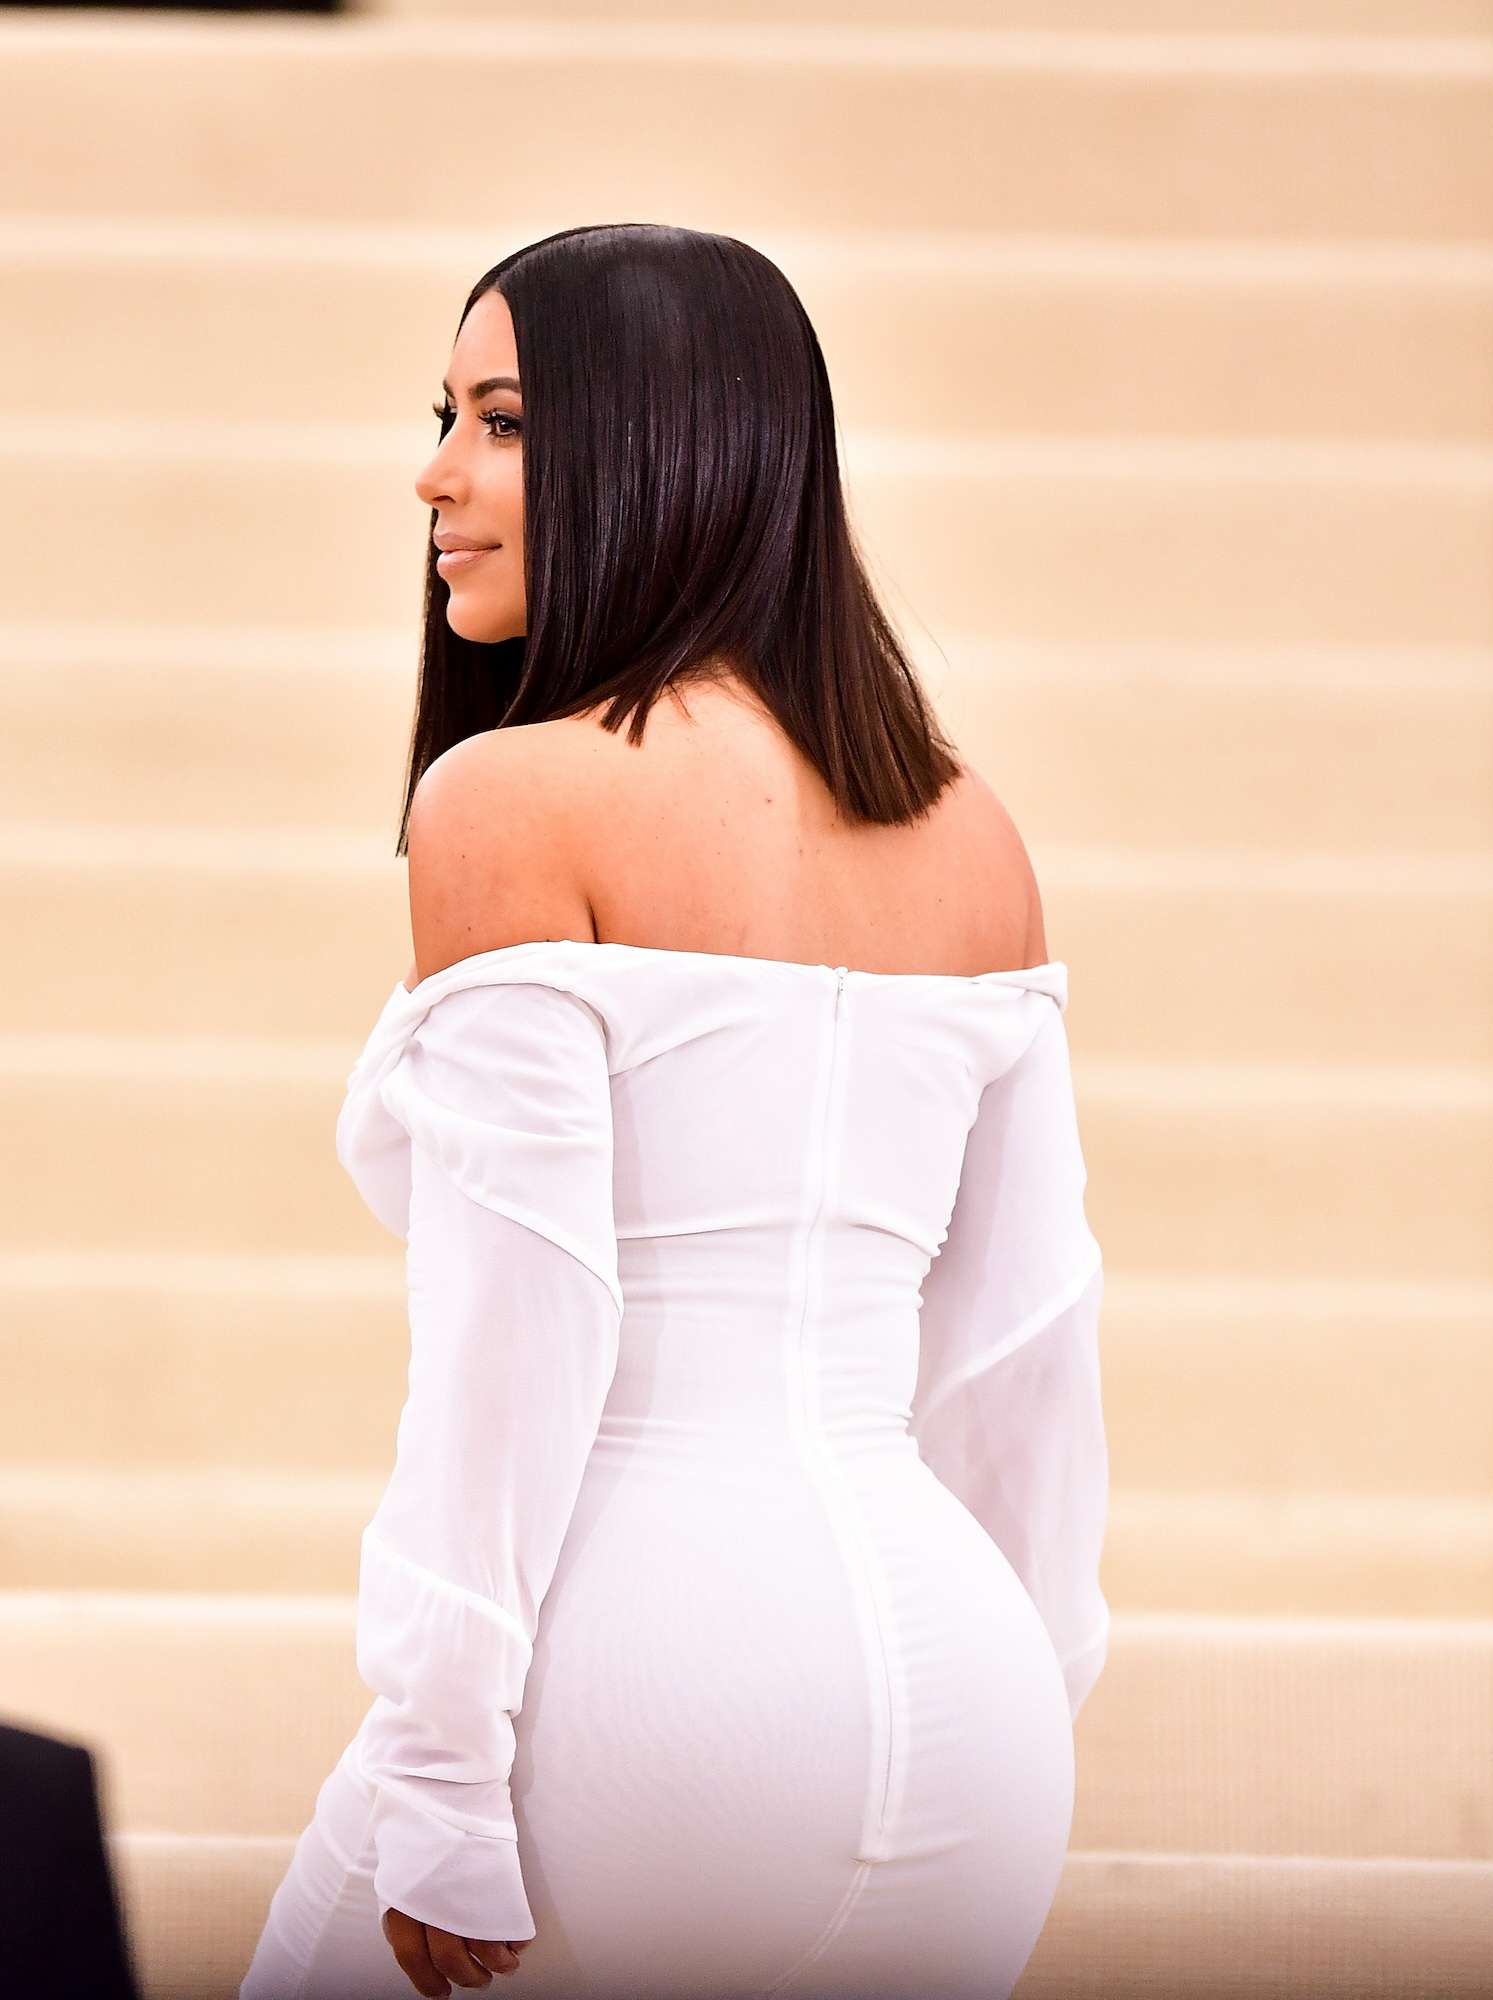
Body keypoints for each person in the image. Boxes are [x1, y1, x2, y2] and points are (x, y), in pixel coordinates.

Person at [240, 224, 1109, 2000]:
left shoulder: (514, 802)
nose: (436, 472)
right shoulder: (972, 829)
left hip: (650, 1687)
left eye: (499, 421)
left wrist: (440, 1774)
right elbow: (1026, 1342)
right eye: (446, 416)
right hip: (970, 1709)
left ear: (659, 446)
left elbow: (512, 1331)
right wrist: (1021, 1698)